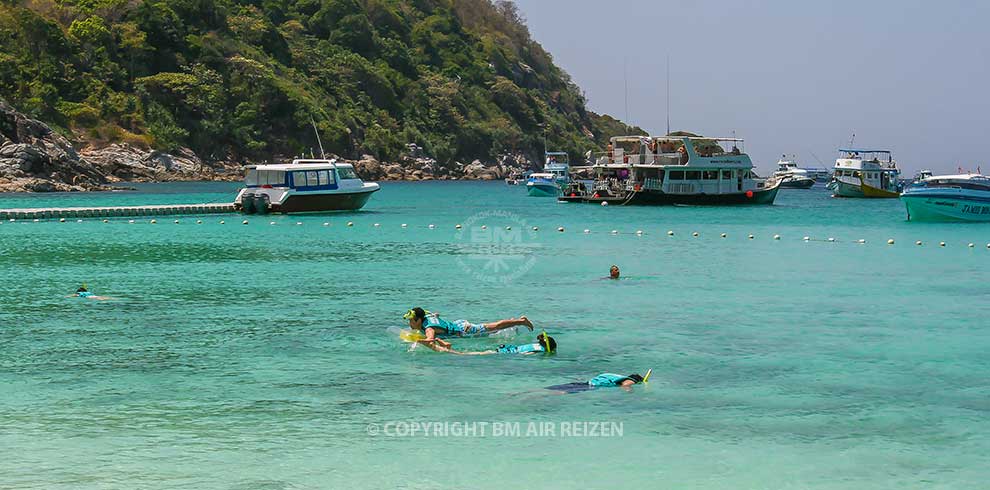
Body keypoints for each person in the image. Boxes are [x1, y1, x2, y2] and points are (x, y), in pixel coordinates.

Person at [403, 307, 534, 344]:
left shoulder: (429, 328)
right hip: (457, 324)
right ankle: (512, 323)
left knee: (494, 327)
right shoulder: (426, 314)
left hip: (465, 330)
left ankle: (521, 321)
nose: (409, 323)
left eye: (411, 321)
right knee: (492, 330)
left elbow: (430, 339)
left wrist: (417, 341)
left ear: (419, 320)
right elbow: (435, 314)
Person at [421, 333, 556, 356]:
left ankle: (444, 347)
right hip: (497, 354)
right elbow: (525, 354)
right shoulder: (538, 351)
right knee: (462, 355)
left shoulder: (535, 345)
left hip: (500, 350)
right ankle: (441, 347)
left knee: (464, 353)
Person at [546, 370, 651, 394]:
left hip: (585, 383)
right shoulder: (631, 380)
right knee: (561, 393)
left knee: (550, 389)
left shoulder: (613, 375)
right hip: (589, 387)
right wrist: (631, 392)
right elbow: (625, 385)